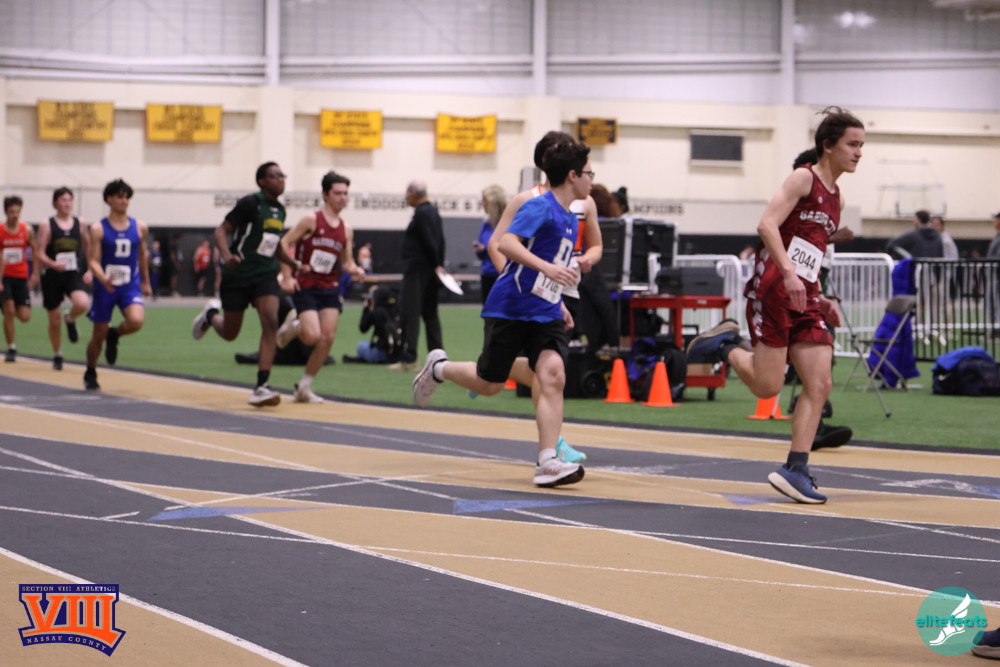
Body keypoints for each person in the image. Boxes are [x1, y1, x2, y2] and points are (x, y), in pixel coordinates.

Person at [686, 106, 866, 504]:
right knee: (768, 385)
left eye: (861, 146)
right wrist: (787, 273)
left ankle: (795, 468)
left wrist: (818, 296)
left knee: (819, 383)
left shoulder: (836, 197)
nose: (858, 153)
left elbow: (809, 249)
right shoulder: (804, 178)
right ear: (828, 145)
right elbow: (767, 224)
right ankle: (725, 345)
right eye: (852, 144)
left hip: (805, 295)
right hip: (773, 288)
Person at [411, 140, 594, 488]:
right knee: (490, 384)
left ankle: (548, 461)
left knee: (553, 373)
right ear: (572, 175)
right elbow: (506, 243)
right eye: (589, 173)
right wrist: (547, 269)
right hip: (511, 307)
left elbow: (551, 269)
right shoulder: (540, 206)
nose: (592, 180)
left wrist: (558, 303)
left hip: (546, 312)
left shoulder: (571, 217)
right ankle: (439, 368)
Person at [191, 161, 295, 407]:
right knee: (230, 333)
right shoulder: (250, 203)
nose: (281, 179)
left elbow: (275, 246)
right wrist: (227, 256)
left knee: (271, 323)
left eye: (283, 175)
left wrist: (294, 264)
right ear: (262, 181)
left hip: (265, 274)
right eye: (275, 175)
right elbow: (220, 231)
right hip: (237, 274)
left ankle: (262, 386)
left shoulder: (280, 211)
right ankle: (211, 316)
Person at [275, 171, 365, 403]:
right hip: (306, 285)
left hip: (329, 287)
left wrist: (356, 270)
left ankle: (304, 387)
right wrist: (287, 275)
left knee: (327, 338)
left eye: (345, 193)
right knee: (312, 336)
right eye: (338, 193)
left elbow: (346, 262)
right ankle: (295, 327)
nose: (343, 198)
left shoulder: (346, 229)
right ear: (325, 195)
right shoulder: (311, 220)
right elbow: (284, 242)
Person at [83, 179, 152, 390]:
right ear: (109, 199)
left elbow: (142, 255)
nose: (124, 201)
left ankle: (115, 334)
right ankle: (91, 370)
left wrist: (146, 282)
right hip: (106, 286)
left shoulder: (140, 227)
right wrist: (102, 277)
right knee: (98, 334)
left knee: (136, 321)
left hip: (129, 284)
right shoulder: (98, 228)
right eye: (119, 197)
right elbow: (93, 260)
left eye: (127, 197)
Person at [35, 187, 92, 370]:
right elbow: (39, 252)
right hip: (52, 275)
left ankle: (70, 317)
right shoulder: (47, 224)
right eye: (63, 200)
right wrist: (52, 263)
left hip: (72, 272)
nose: (67, 203)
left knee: (82, 303)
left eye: (69, 200)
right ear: (55, 203)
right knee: (54, 319)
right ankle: (57, 354)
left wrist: (91, 268)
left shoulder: (80, 223)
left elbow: (88, 246)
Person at [390, 180, 445, 372]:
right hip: (430, 269)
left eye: (407, 193)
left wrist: (436, 264)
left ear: (414, 193)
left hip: (417, 270)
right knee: (430, 315)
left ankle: (409, 359)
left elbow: (430, 241)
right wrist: (438, 265)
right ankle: (438, 359)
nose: (406, 197)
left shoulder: (422, 213)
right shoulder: (434, 211)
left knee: (410, 313)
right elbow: (440, 241)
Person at [1, 196, 41, 363]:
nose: (15, 215)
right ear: (6, 212)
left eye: (17, 211)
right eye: (12, 212)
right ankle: (11, 347)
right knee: (10, 311)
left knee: (24, 316)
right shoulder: (1, 230)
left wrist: (35, 274)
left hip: (21, 276)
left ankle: (6, 309)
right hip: (4, 277)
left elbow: (35, 251)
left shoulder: (27, 230)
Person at [474, 185, 506, 303]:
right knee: (487, 309)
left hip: (502, 274)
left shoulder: (508, 222)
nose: (482, 204)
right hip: (487, 274)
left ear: (492, 203)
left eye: (485, 201)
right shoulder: (486, 223)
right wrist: (481, 249)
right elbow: (482, 251)